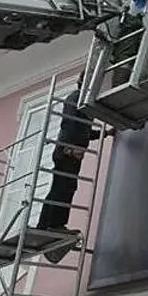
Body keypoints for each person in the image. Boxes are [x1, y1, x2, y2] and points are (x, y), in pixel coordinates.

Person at [36, 77, 102, 264]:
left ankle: (51, 224)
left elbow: (83, 129)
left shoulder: (80, 99)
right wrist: (71, 147)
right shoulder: (78, 98)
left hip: (69, 149)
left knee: (65, 187)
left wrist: (103, 133)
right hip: (68, 150)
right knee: (63, 187)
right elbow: (72, 125)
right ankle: (51, 225)